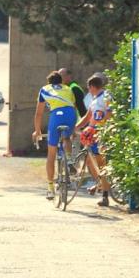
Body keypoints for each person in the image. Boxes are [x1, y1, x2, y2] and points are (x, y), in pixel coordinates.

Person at [32, 71, 77, 200]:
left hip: (56, 116)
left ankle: (50, 188)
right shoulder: (68, 88)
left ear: (49, 83)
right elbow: (73, 106)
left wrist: (37, 130)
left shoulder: (45, 89)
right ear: (61, 81)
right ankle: (69, 159)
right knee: (66, 138)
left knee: (51, 153)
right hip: (70, 114)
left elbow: (39, 113)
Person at [75, 73, 112, 207]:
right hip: (91, 132)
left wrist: (98, 125)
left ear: (92, 86)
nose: (89, 90)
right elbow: (88, 115)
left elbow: (110, 113)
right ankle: (99, 184)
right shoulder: (94, 99)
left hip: (99, 133)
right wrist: (77, 126)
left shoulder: (106, 97)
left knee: (100, 162)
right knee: (90, 160)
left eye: (89, 88)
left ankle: (105, 194)